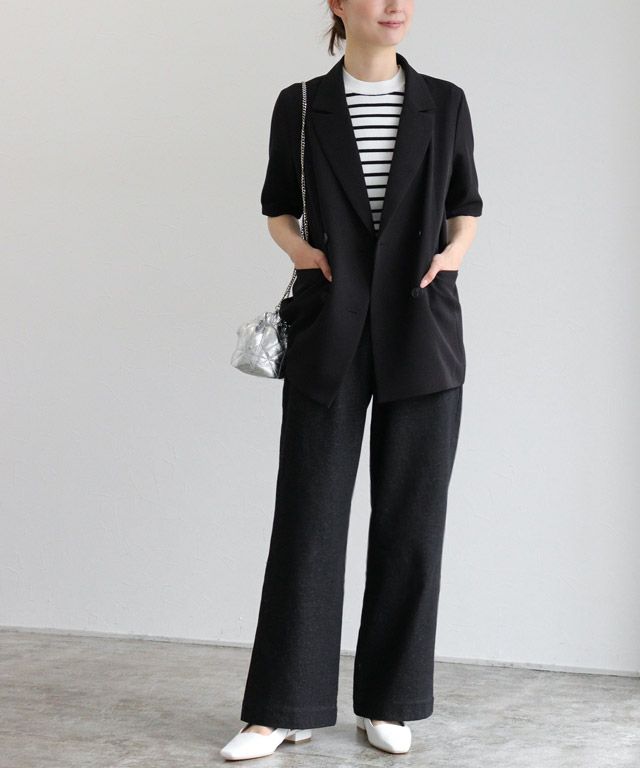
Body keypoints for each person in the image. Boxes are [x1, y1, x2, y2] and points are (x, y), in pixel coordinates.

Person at [221, 0, 483, 760]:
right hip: (329, 327)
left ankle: (389, 703)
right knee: (308, 515)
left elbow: (465, 204)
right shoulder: (302, 104)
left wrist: (453, 256)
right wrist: (301, 254)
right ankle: (282, 708)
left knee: (412, 521)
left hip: (422, 328)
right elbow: (278, 207)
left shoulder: (445, 102)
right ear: (337, 3)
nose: (395, 5)